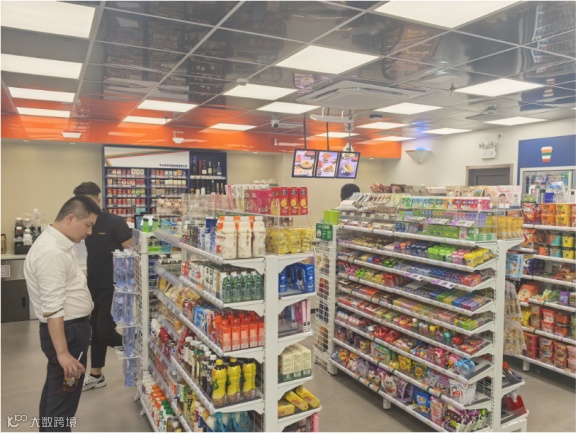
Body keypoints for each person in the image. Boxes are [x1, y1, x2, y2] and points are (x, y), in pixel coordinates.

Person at [23, 196, 101, 432]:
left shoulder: (60, 245)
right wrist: (63, 353)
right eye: (88, 225)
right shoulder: (52, 253)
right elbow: (53, 308)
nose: (89, 232)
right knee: (63, 400)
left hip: (70, 330)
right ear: (70, 218)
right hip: (67, 334)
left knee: (55, 391)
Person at [72, 182, 132, 391]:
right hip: (93, 285)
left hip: (114, 286)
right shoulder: (85, 224)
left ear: (98, 200)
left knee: (105, 332)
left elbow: (132, 252)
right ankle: (96, 375)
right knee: (96, 332)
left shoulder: (115, 222)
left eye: (89, 201)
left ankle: (139, 349)